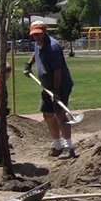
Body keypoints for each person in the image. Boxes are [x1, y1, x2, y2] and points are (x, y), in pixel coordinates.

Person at [25, 19, 77, 157]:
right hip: (47, 86)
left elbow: (58, 71)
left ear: (45, 32)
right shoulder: (38, 43)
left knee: (60, 113)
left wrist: (56, 91)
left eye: (39, 34)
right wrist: (29, 64)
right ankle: (57, 145)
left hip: (60, 85)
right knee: (47, 114)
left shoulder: (53, 47)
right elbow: (36, 53)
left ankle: (68, 147)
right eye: (34, 35)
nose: (36, 37)